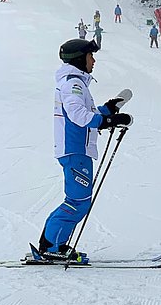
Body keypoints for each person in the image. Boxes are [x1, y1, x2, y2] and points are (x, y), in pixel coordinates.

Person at [38, 39, 133, 260]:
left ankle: (51, 244)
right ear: (80, 58)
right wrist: (109, 121)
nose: (94, 60)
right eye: (90, 56)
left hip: (76, 150)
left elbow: (84, 112)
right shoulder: (74, 84)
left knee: (77, 201)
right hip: (75, 150)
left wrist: (108, 110)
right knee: (78, 202)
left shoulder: (74, 83)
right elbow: (78, 116)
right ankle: (52, 247)